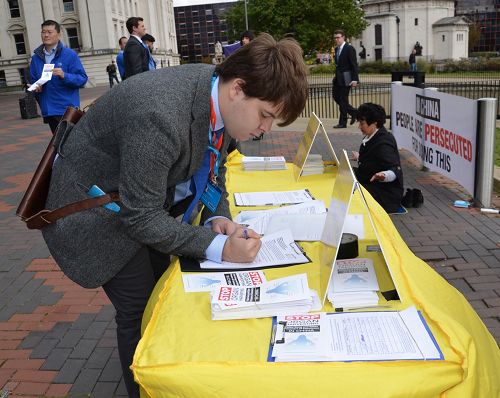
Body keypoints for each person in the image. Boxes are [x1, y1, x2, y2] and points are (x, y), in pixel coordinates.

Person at [41, 33, 308, 398]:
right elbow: (142, 218)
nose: (264, 130)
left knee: (163, 290)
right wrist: (220, 247)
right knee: (140, 310)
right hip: (94, 214)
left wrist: (218, 217)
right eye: (265, 116)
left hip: (133, 201)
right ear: (238, 89)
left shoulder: (218, 92)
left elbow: (216, 169)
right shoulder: (160, 115)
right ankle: (145, 388)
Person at [29, 20, 87, 134]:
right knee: (57, 146)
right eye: (43, 32)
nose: (46, 35)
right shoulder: (35, 58)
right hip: (48, 110)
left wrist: (64, 75)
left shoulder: (70, 54)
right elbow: (34, 80)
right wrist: (36, 87)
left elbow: (82, 79)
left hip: (66, 110)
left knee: (67, 145)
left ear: (59, 34)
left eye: (49, 32)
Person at [351, 103, 404, 214]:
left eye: (362, 123)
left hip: (386, 195)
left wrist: (384, 175)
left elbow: (395, 169)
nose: (359, 127)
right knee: (346, 174)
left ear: (374, 122)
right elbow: (375, 158)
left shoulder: (383, 143)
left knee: (351, 191)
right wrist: (360, 157)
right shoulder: (375, 135)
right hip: (373, 183)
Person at [332, 29, 359, 129]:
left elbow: (354, 65)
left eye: (338, 37)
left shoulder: (349, 48)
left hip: (347, 78)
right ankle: (354, 112)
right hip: (338, 79)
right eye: (335, 38)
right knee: (336, 97)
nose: (336, 39)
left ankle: (342, 122)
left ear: (343, 37)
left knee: (343, 100)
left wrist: (355, 79)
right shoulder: (336, 49)